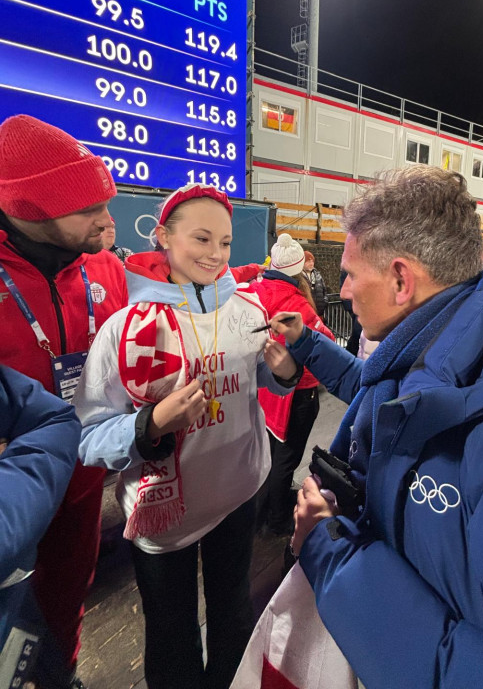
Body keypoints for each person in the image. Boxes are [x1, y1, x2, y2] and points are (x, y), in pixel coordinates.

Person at [269, 166, 483, 688]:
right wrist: (305, 343)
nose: (342, 292)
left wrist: (330, 552)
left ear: (399, 279)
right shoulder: (437, 343)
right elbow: (372, 388)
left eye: (349, 274)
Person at [73, 185, 299, 689]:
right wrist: (147, 426)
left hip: (238, 494)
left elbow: (257, 383)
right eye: (201, 238)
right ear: (163, 237)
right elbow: (87, 437)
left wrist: (281, 373)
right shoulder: (125, 327)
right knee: (172, 637)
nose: (216, 255)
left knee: (234, 615)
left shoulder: (247, 311)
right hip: (163, 519)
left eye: (224, 242)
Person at [0, 114, 128, 689]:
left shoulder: (105, 267)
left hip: (83, 481)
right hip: (14, 492)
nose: (108, 221)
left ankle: (64, 671)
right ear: (27, 208)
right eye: (89, 210)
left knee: (68, 590)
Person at [0, 365, 80, 687]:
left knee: (60, 602)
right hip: (39, 499)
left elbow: (53, 419)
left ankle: (64, 674)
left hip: (72, 487)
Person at [253, 233, 334, 536]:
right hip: (296, 392)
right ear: (299, 269)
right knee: (286, 458)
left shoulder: (254, 291)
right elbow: (324, 345)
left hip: (263, 387)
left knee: (267, 454)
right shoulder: (297, 304)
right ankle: (277, 521)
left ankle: (260, 513)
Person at [303, 250, 328, 318]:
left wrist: (324, 303)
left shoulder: (318, 275)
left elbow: (324, 291)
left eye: (312, 261)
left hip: (319, 313)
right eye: (308, 261)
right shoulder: (300, 277)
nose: (311, 264)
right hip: (306, 314)